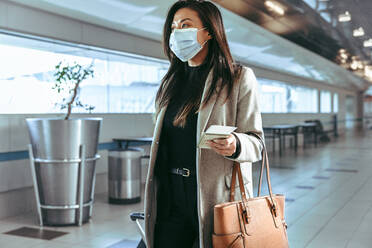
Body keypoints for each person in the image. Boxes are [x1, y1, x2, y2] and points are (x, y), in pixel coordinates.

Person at [143, 0, 264, 247]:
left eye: (185, 25)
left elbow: (257, 143)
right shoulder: (170, 83)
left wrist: (236, 144)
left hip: (215, 198)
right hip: (169, 196)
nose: (177, 33)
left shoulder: (238, 78)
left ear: (209, 31)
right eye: (173, 27)